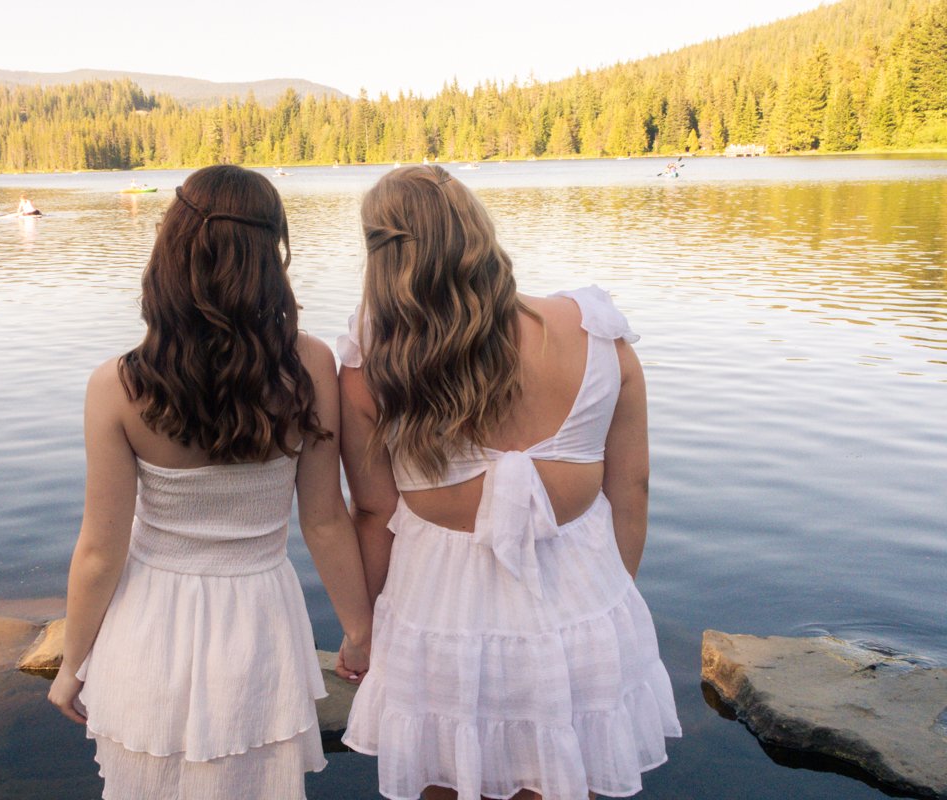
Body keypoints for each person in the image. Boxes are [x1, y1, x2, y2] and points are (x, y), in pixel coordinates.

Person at [337, 165, 680, 800]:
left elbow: (374, 514)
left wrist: (361, 633)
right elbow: (631, 489)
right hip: (580, 609)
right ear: (478, 231)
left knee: (444, 777)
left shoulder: (371, 364)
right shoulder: (596, 336)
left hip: (438, 620)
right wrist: (614, 602)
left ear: (382, 256)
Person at [47, 164, 372, 800]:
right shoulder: (310, 363)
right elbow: (325, 518)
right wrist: (358, 632)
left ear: (171, 251)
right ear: (270, 254)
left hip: (149, 625)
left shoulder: (117, 386)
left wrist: (72, 665)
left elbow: (100, 552)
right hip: (259, 620)